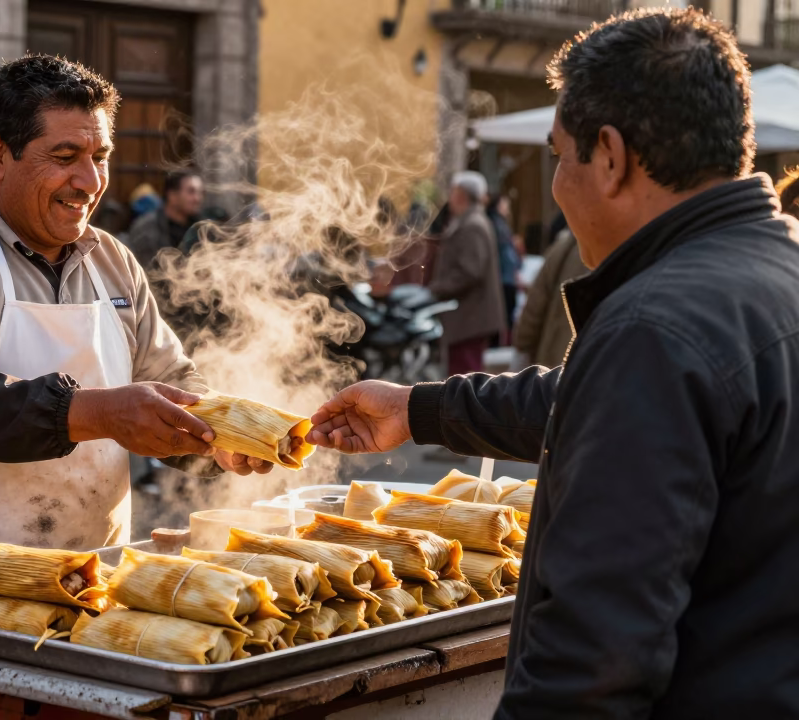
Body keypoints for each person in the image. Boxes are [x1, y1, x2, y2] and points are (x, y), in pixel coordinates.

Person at [307, 9, 799, 718]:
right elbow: (593, 400)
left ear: (611, 154)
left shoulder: (656, 328)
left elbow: (593, 659)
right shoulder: (771, 270)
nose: (559, 182)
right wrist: (419, 409)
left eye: (558, 156)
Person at [0, 55, 269, 574]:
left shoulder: (112, 261)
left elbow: (171, 381)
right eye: (65, 155)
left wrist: (220, 438)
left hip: (87, 577)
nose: (90, 180)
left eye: (101, 155)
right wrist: (102, 413)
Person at [429, 171, 505, 374]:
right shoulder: (470, 221)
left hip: (469, 318)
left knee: (465, 377)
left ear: (461, 194)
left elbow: (470, 272)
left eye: (453, 192)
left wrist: (436, 289)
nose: (450, 197)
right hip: (467, 317)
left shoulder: (473, 225)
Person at [513, 228, 588, 367]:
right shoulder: (567, 247)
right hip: (579, 366)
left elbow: (533, 309)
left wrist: (523, 346)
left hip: (555, 365)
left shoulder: (566, 246)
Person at [123, 169, 204, 274]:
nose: (197, 198)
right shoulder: (147, 228)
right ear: (172, 196)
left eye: (200, 192)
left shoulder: (198, 226)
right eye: (191, 192)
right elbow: (147, 274)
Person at [487, 195, 522, 331]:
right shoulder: (498, 224)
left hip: (504, 275)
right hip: (504, 276)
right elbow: (505, 252)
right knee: (507, 311)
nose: (507, 209)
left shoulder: (497, 223)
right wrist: (516, 266)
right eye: (505, 205)